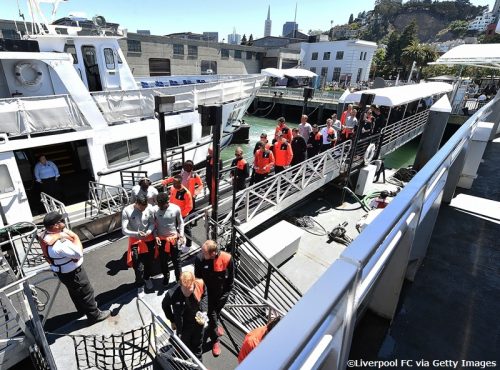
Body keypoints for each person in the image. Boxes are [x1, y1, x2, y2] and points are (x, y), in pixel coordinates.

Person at [39, 211, 110, 323]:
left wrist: (63, 231)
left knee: (74, 292)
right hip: (73, 273)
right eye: (61, 221)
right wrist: (75, 236)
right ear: (55, 226)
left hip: (62, 272)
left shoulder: (45, 236)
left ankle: (82, 310)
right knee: (86, 292)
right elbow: (78, 253)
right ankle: (94, 316)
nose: (64, 222)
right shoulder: (61, 244)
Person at [194, 240, 234, 357]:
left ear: (213, 253)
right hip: (207, 296)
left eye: (204, 252)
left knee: (216, 314)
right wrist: (201, 297)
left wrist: (224, 296)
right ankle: (215, 340)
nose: (201, 253)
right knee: (212, 316)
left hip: (221, 295)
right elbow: (198, 280)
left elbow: (230, 280)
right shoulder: (199, 259)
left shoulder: (227, 258)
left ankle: (215, 326)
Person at [162, 271, 208, 361]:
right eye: (185, 289)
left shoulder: (200, 284)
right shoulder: (172, 294)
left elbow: (205, 295)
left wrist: (204, 311)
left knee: (198, 344)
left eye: (189, 288)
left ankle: (199, 365)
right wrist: (172, 320)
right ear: (180, 284)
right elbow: (164, 305)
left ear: (194, 282)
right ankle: (181, 355)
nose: (187, 292)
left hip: (198, 322)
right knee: (184, 344)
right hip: (183, 326)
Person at [121, 195, 156, 295]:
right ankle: (140, 284)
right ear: (136, 203)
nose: (143, 210)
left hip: (148, 239)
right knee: (138, 266)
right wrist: (136, 234)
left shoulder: (149, 208)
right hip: (135, 241)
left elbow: (152, 223)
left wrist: (148, 232)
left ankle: (147, 278)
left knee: (149, 262)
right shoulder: (127, 211)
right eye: (141, 208)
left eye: (144, 208)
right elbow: (124, 230)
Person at [154, 192, 184, 287]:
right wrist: (156, 236)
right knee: (163, 261)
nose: (160, 207)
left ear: (168, 201)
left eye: (162, 205)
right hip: (162, 240)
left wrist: (182, 235)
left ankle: (179, 279)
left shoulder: (175, 208)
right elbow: (152, 225)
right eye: (159, 205)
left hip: (174, 239)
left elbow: (181, 223)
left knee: (177, 261)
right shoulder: (155, 210)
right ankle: (166, 277)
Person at [164, 175, 193, 249]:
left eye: (176, 183)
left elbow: (189, 207)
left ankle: (188, 245)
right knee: (174, 229)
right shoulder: (172, 188)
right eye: (173, 183)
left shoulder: (186, 193)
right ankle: (178, 243)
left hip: (183, 216)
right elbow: (171, 199)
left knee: (186, 230)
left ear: (180, 182)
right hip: (173, 214)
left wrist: (180, 214)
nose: (174, 185)